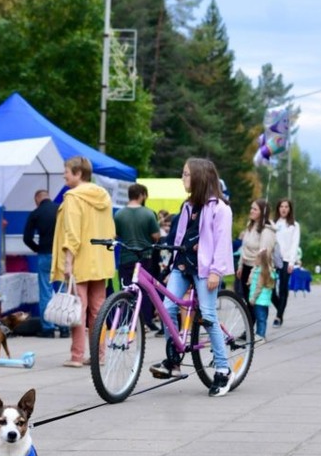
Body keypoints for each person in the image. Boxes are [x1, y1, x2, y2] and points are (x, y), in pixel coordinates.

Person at [150, 158, 234, 396]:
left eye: (186, 174)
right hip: (183, 266)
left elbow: (221, 242)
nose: (182, 178)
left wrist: (216, 271)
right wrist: (169, 268)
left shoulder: (220, 208)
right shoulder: (187, 206)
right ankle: (173, 360)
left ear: (199, 177)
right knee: (167, 308)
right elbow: (179, 239)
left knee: (207, 315)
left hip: (205, 269)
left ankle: (223, 369)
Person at [51, 156, 116, 368]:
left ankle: (76, 356)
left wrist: (68, 262)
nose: (64, 175)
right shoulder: (103, 196)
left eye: (66, 172)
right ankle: (99, 355)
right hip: (101, 260)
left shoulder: (73, 198)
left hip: (80, 261)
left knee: (76, 310)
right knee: (98, 310)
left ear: (78, 173)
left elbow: (72, 232)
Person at [114, 183, 161, 331]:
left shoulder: (119, 214)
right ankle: (145, 322)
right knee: (145, 291)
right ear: (142, 195)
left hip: (126, 257)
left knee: (126, 290)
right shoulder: (148, 213)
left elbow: (115, 235)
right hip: (144, 257)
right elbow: (156, 236)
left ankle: (127, 322)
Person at [23, 188, 61, 338]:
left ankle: (48, 328)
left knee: (46, 291)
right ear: (48, 197)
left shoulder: (35, 213)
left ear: (37, 199)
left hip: (45, 254)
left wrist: (38, 248)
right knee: (63, 292)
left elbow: (27, 238)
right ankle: (64, 327)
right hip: (61, 255)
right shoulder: (60, 210)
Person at [235, 198, 275, 313]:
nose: (251, 211)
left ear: (262, 212)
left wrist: (253, 273)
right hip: (246, 266)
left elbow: (263, 255)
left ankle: (256, 329)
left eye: (255, 209)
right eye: (251, 208)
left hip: (257, 270)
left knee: (255, 301)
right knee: (247, 300)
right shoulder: (250, 226)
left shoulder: (266, 231)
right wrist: (240, 265)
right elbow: (244, 247)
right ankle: (249, 327)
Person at [272, 198, 300, 326]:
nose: (283, 209)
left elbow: (295, 244)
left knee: (283, 289)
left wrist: (291, 262)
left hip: (286, 260)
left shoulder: (294, 225)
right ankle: (280, 309)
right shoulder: (273, 224)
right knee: (271, 290)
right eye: (281, 206)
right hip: (272, 260)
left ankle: (278, 316)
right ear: (278, 208)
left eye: (286, 207)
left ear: (290, 209)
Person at [248, 247, 277, 344]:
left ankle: (260, 335)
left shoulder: (261, 272)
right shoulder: (266, 271)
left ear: (261, 260)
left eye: (256, 258)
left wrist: (253, 298)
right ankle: (260, 334)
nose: (254, 260)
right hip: (264, 301)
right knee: (262, 318)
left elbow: (259, 287)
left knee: (261, 318)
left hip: (259, 300)